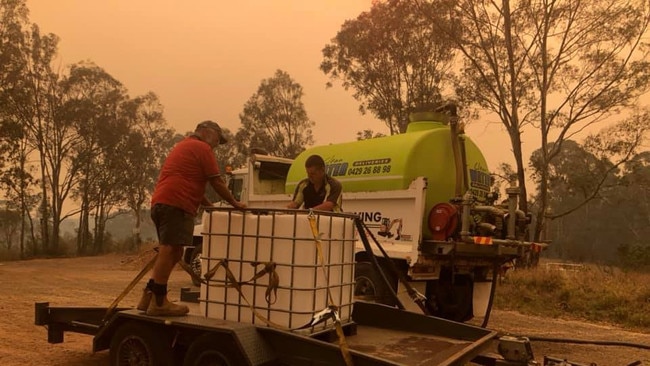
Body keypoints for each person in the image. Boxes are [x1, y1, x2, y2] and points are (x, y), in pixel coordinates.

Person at [137, 120, 246, 316]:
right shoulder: (201, 148)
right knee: (168, 250)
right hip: (176, 204)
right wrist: (236, 204)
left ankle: (149, 294)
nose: (215, 145)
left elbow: (191, 183)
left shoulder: (184, 146)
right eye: (216, 139)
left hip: (163, 202)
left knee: (176, 252)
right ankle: (159, 302)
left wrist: (210, 207)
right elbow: (217, 182)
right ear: (206, 132)